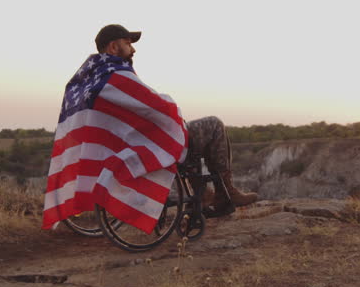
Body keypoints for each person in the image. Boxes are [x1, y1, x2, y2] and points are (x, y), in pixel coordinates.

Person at [92, 23, 259, 216]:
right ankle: (226, 192)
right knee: (214, 125)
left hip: (137, 142)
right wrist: (171, 110)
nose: (133, 49)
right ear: (113, 47)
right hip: (151, 144)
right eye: (128, 44)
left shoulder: (98, 77)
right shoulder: (118, 75)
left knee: (187, 135)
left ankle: (203, 193)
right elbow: (155, 105)